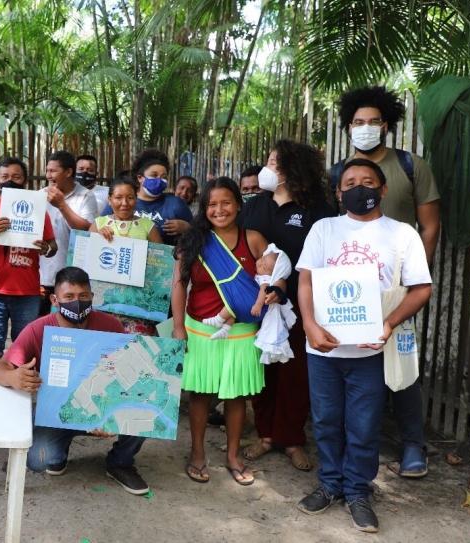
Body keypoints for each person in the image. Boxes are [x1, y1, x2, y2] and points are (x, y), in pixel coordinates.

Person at [295, 158, 432, 532]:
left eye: (368, 181)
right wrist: (308, 324)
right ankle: (330, 484)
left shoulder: (402, 234)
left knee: (364, 423)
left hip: (372, 350)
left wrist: (389, 323)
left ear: (383, 190)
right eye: (350, 182)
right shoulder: (324, 229)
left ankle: (358, 489)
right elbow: (305, 280)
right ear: (339, 193)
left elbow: (422, 288)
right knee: (324, 420)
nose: (360, 188)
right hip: (323, 348)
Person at [333, 86, 441, 478]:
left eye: (373, 121)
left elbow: (429, 227)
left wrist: (414, 281)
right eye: (358, 122)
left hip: (397, 287)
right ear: (349, 127)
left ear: (387, 126)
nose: (365, 128)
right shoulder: (341, 172)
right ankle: (357, 440)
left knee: (402, 362)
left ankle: (414, 444)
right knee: (354, 359)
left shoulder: (412, 166)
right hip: (351, 286)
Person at [0, 266, 150, 495]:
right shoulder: (38, 329)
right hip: (57, 413)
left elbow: (127, 371)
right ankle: (59, 450)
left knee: (148, 408)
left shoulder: (111, 326)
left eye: (83, 296)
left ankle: (120, 462)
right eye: (69, 297)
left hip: (101, 404)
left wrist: (110, 412)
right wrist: (12, 376)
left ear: (92, 297)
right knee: (38, 460)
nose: (77, 302)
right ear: (55, 300)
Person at [236, 140, 336, 472]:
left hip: (302, 305)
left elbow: (325, 258)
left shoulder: (317, 209)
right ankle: (266, 436)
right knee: (263, 370)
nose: (268, 168)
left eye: (275, 163)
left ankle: (292, 439)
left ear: (293, 169)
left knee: (296, 375)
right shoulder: (255, 206)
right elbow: (248, 254)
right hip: (260, 305)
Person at [171, 177, 270, 486]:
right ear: (204, 209)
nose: (219, 209)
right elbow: (178, 285)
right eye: (212, 204)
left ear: (239, 205)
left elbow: (273, 277)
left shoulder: (253, 239)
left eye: (226, 202)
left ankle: (232, 455)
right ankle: (197, 453)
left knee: (236, 396)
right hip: (199, 329)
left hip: (241, 332)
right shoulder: (193, 241)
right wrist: (177, 327)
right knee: (199, 395)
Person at [0, 157, 57, 380]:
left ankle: (20, 391)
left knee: (25, 345)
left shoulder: (39, 211)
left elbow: (53, 247)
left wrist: (46, 248)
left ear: (25, 181)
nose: (11, 181)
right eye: (5, 177)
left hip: (27, 292)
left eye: (16, 177)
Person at [89, 176, 163, 335]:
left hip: (137, 305)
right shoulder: (99, 224)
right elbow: (84, 260)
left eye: (130, 198)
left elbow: (162, 265)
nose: (124, 203)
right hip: (103, 303)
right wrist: (96, 239)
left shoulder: (147, 226)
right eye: (118, 198)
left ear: (136, 199)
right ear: (109, 199)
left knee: (134, 351)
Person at [39, 151, 98, 315]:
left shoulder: (86, 196)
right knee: (39, 329)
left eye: (53, 171)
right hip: (42, 278)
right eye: (47, 171)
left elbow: (86, 230)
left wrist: (62, 205)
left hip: (72, 280)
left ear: (69, 172)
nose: (49, 176)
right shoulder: (40, 196)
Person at [102, 148, 192, 245]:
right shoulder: (122, 203)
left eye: (164, 177)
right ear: (140, 178)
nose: (159, 180)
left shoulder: (176, 204)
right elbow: (99, 227)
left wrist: (187, 228)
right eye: (154, 175)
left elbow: (200, 235)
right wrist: (102, 231)